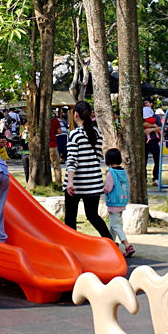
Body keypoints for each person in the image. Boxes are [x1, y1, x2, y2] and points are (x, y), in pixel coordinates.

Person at [64, 101, 114, 242]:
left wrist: (70, 182)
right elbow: (98, 156)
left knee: (70, 217)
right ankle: (110, 242)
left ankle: (72, 245)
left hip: (78, 183)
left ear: (76, 115)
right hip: (94, 182)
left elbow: (72, 160)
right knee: (93, 215)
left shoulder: (75, 134)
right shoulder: (96, 133)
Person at [101, 148, 135, 257]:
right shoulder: (123, 171)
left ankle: (127, 245)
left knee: (116, 226)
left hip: (114, 202)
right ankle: (112, 245)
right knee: (113, 225)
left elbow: (109, 187)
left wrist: (102, 189)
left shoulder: (111, 172)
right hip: (122, 200)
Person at [143, 104, 163, 187]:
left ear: (151, 104)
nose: (145, 104)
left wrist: (151, 129)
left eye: (147, 102)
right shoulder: (141, 114)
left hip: (154, 140)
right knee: (143, 160)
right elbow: (143, 124)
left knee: (157, 159)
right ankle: (144, 178)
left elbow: (160, 127)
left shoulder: (156, 117)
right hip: (143, 141)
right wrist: (154, 126)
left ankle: (156, 178)